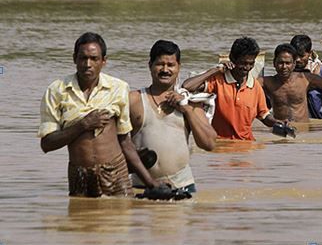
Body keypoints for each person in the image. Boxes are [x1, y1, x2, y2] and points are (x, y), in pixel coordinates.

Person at [38, 32, 159, 197]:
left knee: (120, 218)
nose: (88, 64)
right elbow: (47, 144)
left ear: (103, 61)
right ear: (74, 59)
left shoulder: (118, 88)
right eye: (83, 58)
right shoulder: (57, 91)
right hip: (79, 175)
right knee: (80, 219)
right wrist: (83, 125)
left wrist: (151, 183)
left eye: (94, 59)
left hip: (115, 172)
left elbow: (125, 141)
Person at [129, 40, 217, 193]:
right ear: (150, 65)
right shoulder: (134, 100)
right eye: (160, 64)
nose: (165, 70)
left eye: (170, 65)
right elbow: (115, 144)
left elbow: (209, 144)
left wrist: (187, 110)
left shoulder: (191, 103)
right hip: (140, 188)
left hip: (182, 187)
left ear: (178, 67)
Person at [182, 37, 281, 141]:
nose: (247, 68)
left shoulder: (255, 87)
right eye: (243, 63)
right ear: (232, 59)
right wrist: (215, 70)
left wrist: (277, 123)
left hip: (246, 145)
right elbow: (187, 86)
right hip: (219, 142)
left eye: (251, 64)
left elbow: (264, 116)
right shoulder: (217, 81)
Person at [259, 43, 322, 123]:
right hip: (281, 130)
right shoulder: (266, 82)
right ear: (274, 63)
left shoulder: (305, 78)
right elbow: (247, 85)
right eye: (280, 63)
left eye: (288, 63)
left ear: (294, 64)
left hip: (303, 131)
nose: (284, 67)